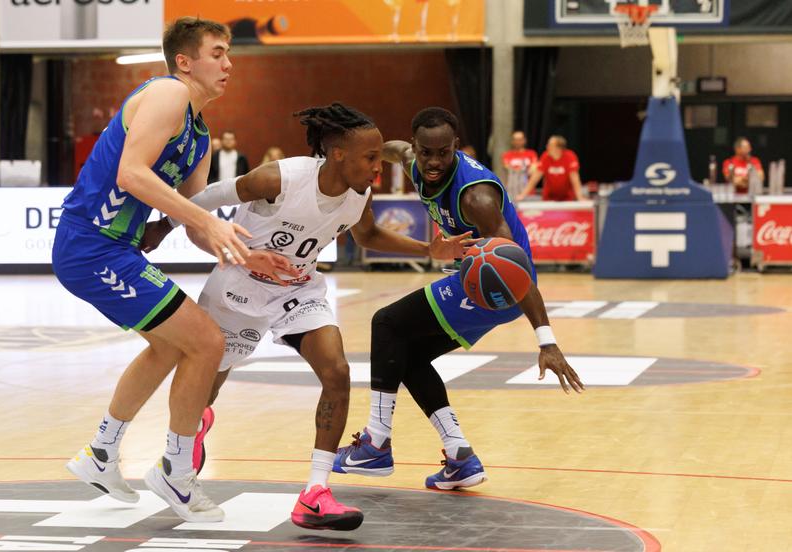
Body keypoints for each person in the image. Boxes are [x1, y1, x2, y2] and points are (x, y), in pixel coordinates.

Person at [141, 103, 473, 529]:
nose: (377, 168)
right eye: (369, 158)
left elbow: (368, 235)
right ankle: (184, 446)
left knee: (336, 373)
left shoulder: (358, 194)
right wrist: (163, 226)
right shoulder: (281, 177)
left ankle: (315, 493)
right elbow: (210, 196)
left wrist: (429, 250)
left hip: (299, 290)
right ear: (337, 154)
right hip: (241, 286)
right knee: (206, 388)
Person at [52, 17, 290, 523]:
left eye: (229, 54)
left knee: (171, 345)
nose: (228, 64)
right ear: (185, 61)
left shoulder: (199, 135)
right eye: (218, 52)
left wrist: (248, 255)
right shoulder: (167, 93)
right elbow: (131, 173)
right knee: (206, 341)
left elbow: (192, 217)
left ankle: (100, 453)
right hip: (91, 245)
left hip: (117, 249)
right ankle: (176, 472)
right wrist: (204, 217)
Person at [334, 107, 584, 491]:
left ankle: (376, 442)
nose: (434, 162)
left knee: (386, 323)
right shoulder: (408, 156)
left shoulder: (476, 199)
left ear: (456, 147)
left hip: (500, 286)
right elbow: (391, 148)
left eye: (443, 153)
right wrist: (358, 157)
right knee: (408, 354)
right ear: (415, 146)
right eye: (426, 152)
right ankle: (459, 456)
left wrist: (546, 339)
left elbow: (517, 269)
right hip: (476, 279)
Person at [516, 135, 585, 202]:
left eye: (550, 145)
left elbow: (575, 180)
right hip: (548, 198)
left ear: (558, 148)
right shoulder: (545, 157)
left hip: (567, 198)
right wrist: (522, 195)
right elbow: (534, 179)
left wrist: (580, 197)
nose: (547, 147)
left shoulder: (570, 157)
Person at [501, 130, 537, 198]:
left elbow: (533, 170)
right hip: (512, 191)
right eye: (515, 140)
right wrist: (524, 169)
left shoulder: (532, 154)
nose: (518, 142)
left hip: (528, 192)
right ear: (512, 141)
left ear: (524, 140)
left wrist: (517, 170)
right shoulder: (506, 155)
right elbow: (507, 168)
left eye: (520, 139)